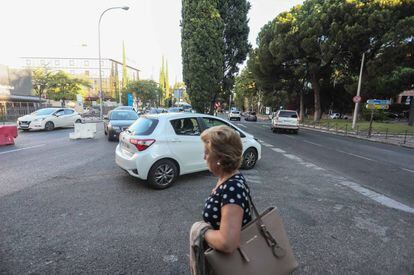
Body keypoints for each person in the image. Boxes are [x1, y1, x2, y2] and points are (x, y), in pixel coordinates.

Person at [189, 125, 252, 275]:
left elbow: (227, 243)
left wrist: (200, 231)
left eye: (206, 153)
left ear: (221, 158)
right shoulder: (227, 179)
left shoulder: (233, 188)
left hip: (228, 266)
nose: (204, 157)